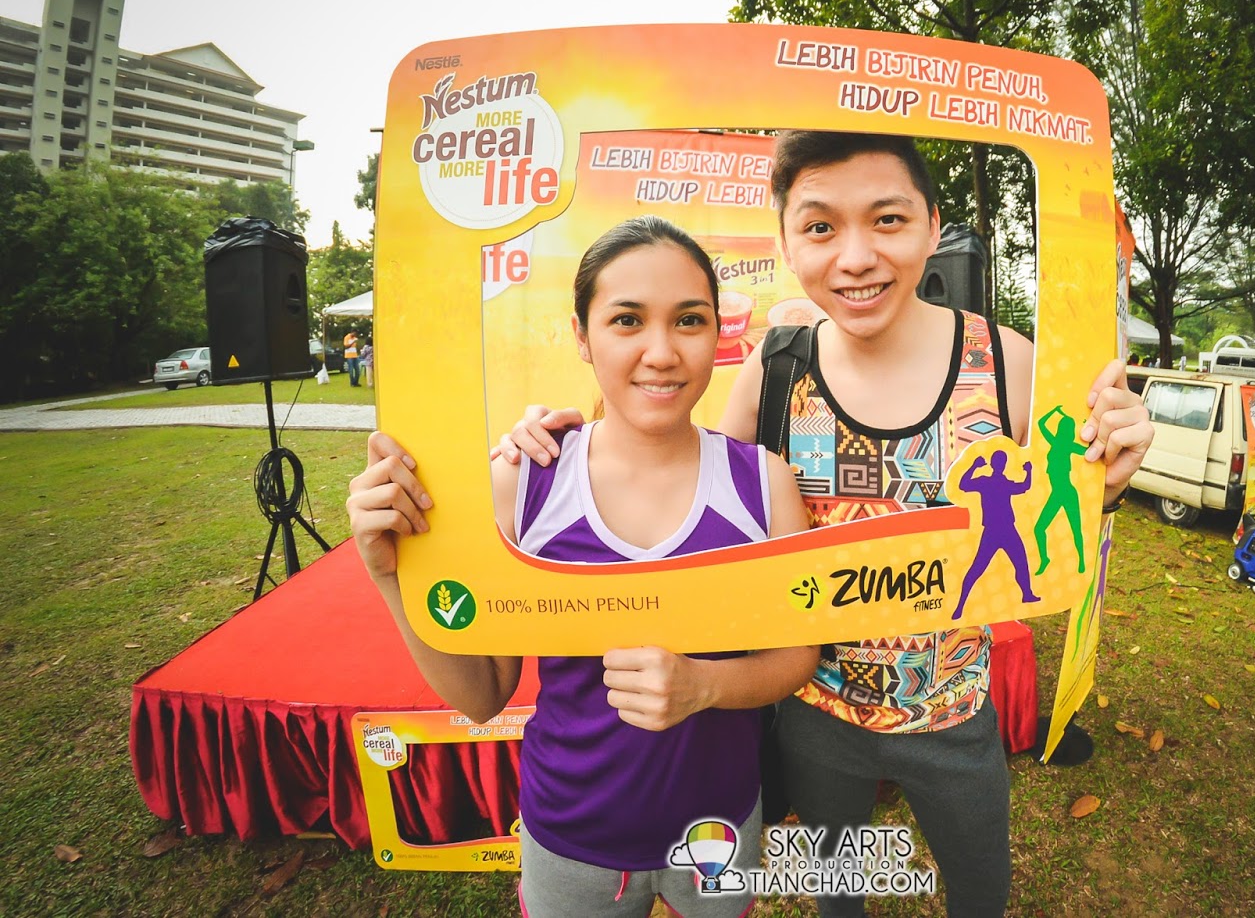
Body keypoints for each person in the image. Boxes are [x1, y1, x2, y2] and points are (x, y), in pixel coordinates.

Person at [498, 132, 1153, 917]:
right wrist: (555, 439)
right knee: (838, 897)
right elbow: (696, 491)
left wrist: (1104, 481)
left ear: (932, 224)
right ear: (786, 243)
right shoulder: (775, 373)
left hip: (954, 714)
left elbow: (1053, 533)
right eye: (819, 227)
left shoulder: (1009, 367)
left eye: (887, 219)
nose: (855, 257)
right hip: (812, 721)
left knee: (982, 894)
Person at [347, 216, 816, 917]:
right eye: (627, 320)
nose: (661, 352)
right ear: (582, 336)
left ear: (717, 334)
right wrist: (391, 576)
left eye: (688, 320)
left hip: (718, 827)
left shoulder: (763, 483)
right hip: (570, 835)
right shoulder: (525, 482)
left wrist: (706, 686)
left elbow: (797, 656)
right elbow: (483, 695)